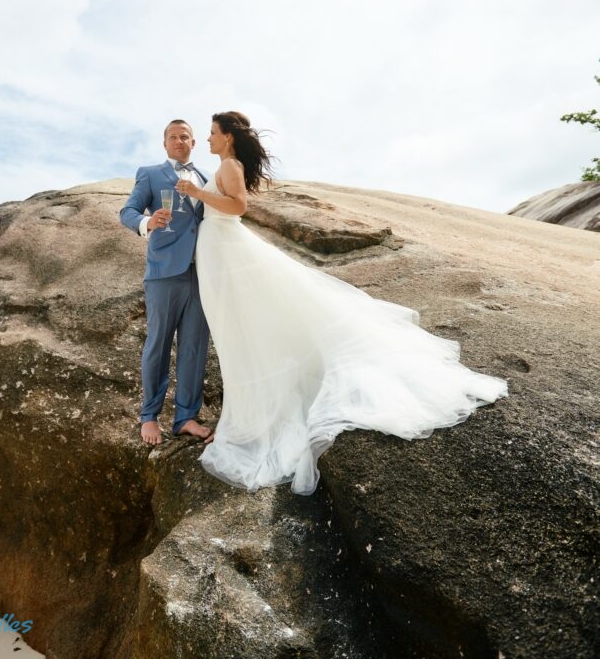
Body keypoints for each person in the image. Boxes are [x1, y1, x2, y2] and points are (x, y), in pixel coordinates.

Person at [175, 110, 509, 495]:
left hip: (229, 249)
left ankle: (255, 420)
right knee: (240, 329)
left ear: (229, 136)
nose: (210, 139)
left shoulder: (229, 165)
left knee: (247, 328)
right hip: (218, 252)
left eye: (213, 133)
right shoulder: (222, 164)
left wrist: (197, 193)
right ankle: (251, 414)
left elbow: (239, 206)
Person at [120, 119, 212, 445]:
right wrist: (148, 221)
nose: (178, 140)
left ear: (193, 142)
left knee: (194, 347)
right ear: (165, 143)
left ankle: (186, 417)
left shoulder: (206, 180)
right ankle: (149, 417)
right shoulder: (150, 173)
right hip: (164, 273)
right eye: (173, 136)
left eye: (184, 136)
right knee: (157, 344)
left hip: (201, 275)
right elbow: (127, 211)